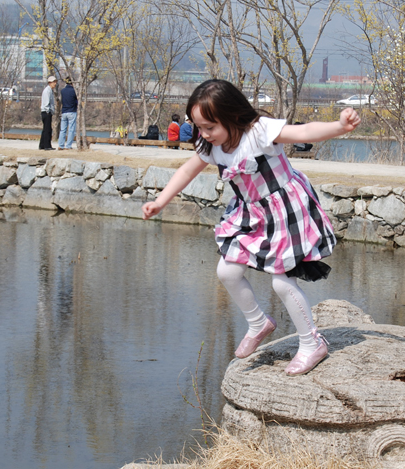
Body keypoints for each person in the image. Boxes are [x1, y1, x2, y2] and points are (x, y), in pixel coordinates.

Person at [141, 79, 361, 376]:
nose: (204, 134)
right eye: (199, 127)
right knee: (227, 271)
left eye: (209, 126)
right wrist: (160, 201)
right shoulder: (212, 145)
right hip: (252, 214)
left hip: (285, 210)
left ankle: (312, 343)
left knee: (282, 282)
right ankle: (258, 322)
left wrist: (339, 126)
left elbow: (304, 131)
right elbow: (187, 170)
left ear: (232, 116)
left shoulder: (259, 132)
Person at [58, 77, 78, 150]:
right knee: (71, 129)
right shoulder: (74, 91)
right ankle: (68, 146)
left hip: (64, 111)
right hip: (72, 111)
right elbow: (76, 101)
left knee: (63, 129)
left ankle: (60, 145)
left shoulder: (63, 91)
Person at [39, 75, 57, 150]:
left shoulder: (50, 90)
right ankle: (47, 145)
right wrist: (48, 111)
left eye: (55, 82)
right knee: (47, 129)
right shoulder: (47, 91)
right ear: (50, 82)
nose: (55, 83)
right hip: (46, 112)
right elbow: (46, 103)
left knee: (46, 129)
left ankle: (42, 145)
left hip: (47, 112)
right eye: (53, 82)